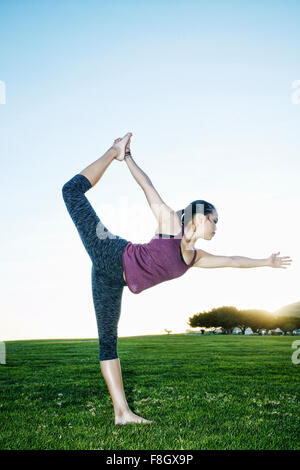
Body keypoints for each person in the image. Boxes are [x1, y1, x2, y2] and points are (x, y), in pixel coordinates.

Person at [62, 132, 292, 425]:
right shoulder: (170, 224)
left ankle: (122, 414)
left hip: (111, 280)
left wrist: (266, 262)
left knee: (108, 341)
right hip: (110, 251)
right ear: (198, 216)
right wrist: (125, 156)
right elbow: (147, 186)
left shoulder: (196, 258)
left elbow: (234, 261)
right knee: (70, 191)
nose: (216, 226)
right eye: (213, 219)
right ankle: (111, 151)